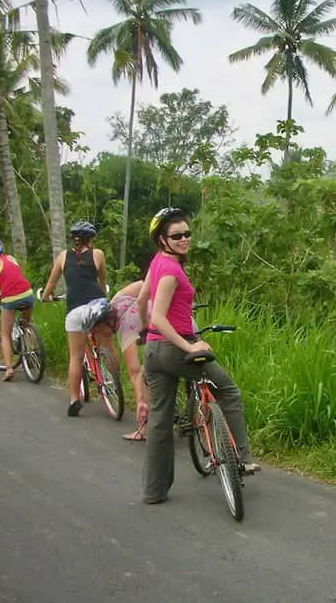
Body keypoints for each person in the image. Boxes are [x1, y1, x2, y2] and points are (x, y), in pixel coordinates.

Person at [138, 207, 259, 505]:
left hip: (154, 351)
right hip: (173, 347)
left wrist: (144, 333)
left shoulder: (157, 263)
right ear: (162, 239)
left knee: (160, 422)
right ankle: (242, 458)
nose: (184, 239)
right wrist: (190, 346)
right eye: (176, 235)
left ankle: (154, 492)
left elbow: (142, 301)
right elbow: (159, 319)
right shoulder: (170, 271)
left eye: (187, 233)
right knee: (228, 391)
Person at [41, 221, 118, 417]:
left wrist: (46, 296)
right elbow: (102, 281)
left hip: (75, 310)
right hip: (96, 305)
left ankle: (74, 399)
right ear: (91, 240)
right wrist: (102, 293)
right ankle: (115, 384)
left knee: (75, 356)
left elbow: (51, 282)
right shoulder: (98, 254)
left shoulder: (62, 257)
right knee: (107, 345)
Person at [0, 236, 35, 382]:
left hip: (10, 298)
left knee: (5, 334)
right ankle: (32, 353)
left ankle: (9, 368)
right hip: (28, 294)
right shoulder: (11, 258)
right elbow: (15, 277)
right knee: (27, 324)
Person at [110, 279, 149, 441]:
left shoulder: (124, 323)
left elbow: (134, 372)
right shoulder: (119, 297)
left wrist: (140, 399)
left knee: (140, 373)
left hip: (145, 320)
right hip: (170, 314)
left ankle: (143, 428)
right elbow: (143, 285)